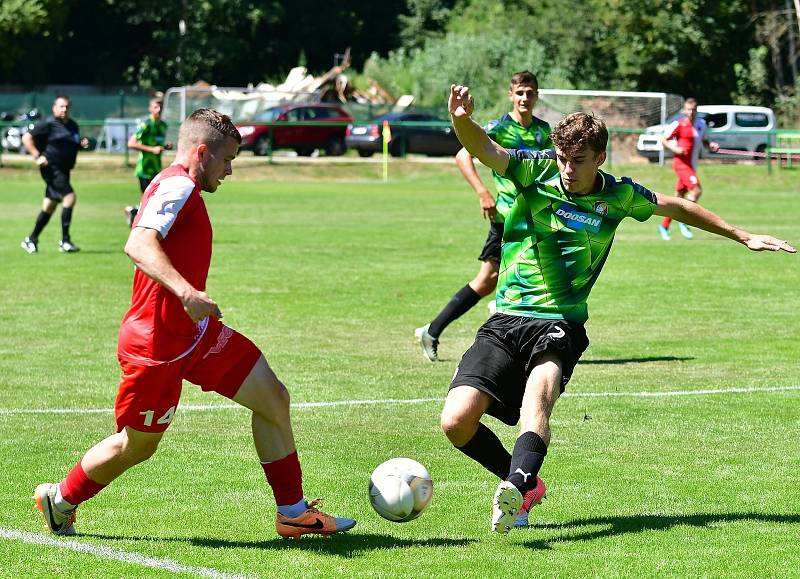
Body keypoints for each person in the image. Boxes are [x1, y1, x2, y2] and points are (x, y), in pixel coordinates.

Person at [441, 84, 795, 535]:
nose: (568, 170)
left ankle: (517, 483)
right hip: (506, 316)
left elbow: (678, 205)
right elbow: (486, 150)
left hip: (560, 321)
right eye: (563, 159)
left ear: (600, 158)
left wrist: (742, 235)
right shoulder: (535, 171)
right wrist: (460, 121)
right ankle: (525, 482)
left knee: (539, 399)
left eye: (579, 160)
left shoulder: (619, 195)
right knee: (455, 421)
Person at [33, 109, 356, 540]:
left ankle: (293, 513)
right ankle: (61, 499)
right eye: (227, 161)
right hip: (157, 344)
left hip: (195, 334)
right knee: (138, 445)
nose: (229, 171)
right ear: (201, 152)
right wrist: (186, 292)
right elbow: (138, 242)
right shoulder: (180, 185)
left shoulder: (179, 183)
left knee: (274, 399)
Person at [415, 71, 552, 362]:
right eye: (520, 93)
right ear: (511, 95)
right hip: (506, 218)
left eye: (530, 93)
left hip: (535, 217)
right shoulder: (500, 128)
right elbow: (463, 155)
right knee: (488, 279)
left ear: (537, 96)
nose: (525, 98)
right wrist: (482, 192)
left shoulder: (543, 131)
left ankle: (506, 318)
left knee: (531, 274)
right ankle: (435, 329)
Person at [20, 95, 90, 254]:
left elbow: (69, 145)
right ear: (54, 108)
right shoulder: (48, 124)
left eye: (66, 106)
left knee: (49, 206)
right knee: (69, 197)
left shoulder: (73, 125)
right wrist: (38, 156)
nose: (64, 109)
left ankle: (31, 239)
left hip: (65, 169)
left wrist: (80, 145)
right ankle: (65, 241)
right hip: (52, 168)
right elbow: (26, 138)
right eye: (61, 106)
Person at [658, 98, 719, 240]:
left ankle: (664, 226)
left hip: (692, 166)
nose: (691, 112)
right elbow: (664, 139)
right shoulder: (678, 124)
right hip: (681, 165)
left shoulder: (701, 124)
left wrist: (711, 146)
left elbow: (704, 141)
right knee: (697, 190)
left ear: (696, 110)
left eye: (693, 109)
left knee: (678, 198)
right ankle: (685, 220)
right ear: (684, 111)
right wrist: (675, 148)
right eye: (688, 109)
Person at [125, 96, 172, 227]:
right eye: (156, 107)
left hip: (156, 169)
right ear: (150, 108)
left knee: (153, 200)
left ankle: (133, 212)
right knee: (151, 201)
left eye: (161, 107)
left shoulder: (163, 125)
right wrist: (151, 149)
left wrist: (165, 147)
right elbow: (131, 143)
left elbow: (158, 145)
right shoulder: (145, 124)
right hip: (144, 169)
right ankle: (140, 222)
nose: (159, 110)